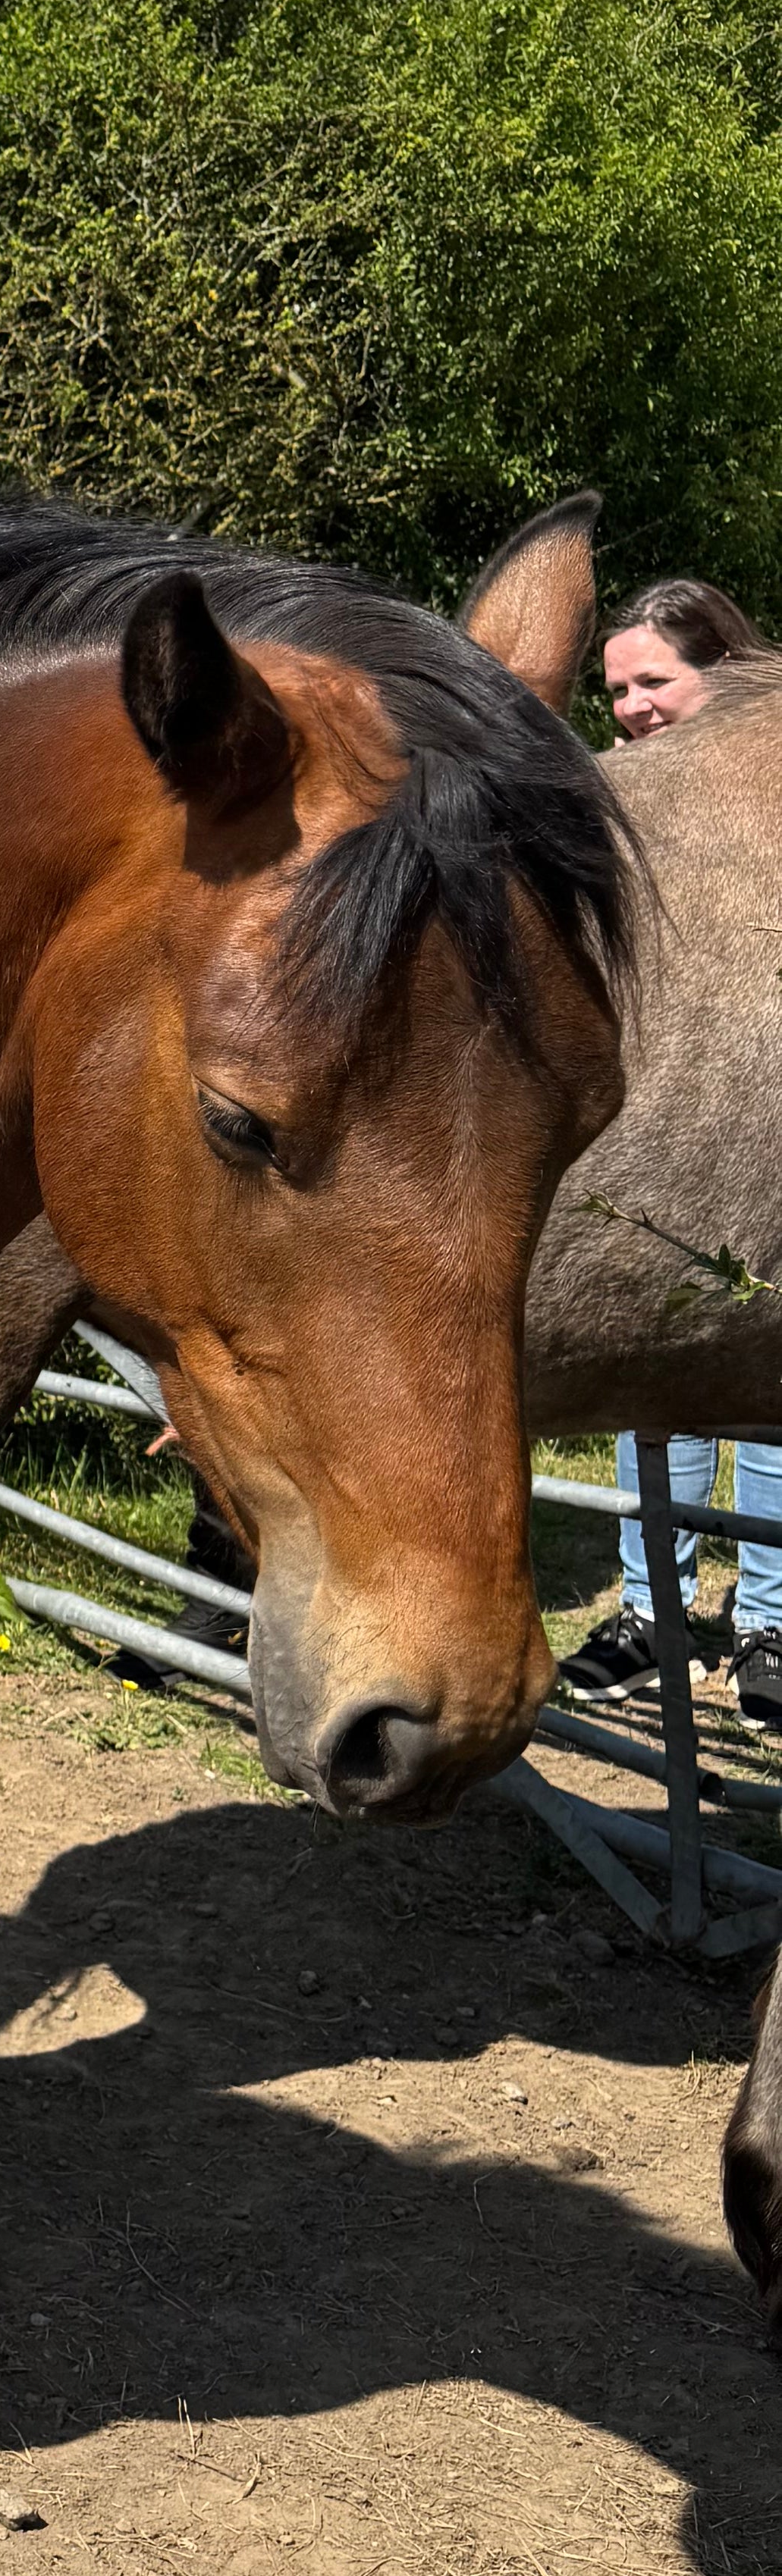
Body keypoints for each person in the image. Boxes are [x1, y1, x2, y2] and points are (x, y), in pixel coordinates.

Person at [563, 576, 782, 1722]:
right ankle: (657, 1610)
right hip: (673, 1138)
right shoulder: (626, 821)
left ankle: (767, 1624)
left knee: (761, 1390)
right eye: (617, 692)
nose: (635, 708)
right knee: (656, 1390)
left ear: (726, 674)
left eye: (657, 681)